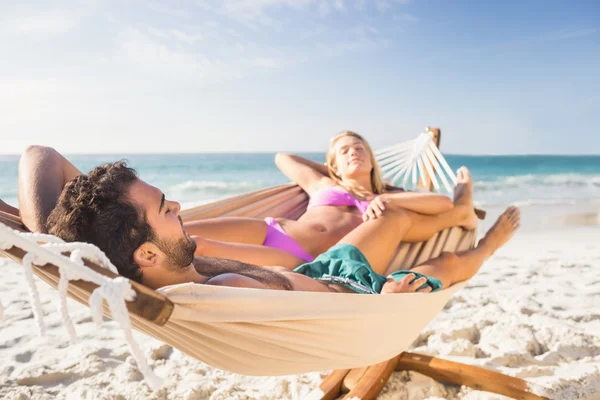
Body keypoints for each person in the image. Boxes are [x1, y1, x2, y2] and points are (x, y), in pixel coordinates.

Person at [32, 159, 519, 293]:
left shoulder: (156, 265)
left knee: (392, 216)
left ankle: (460, 213)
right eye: (165, 208)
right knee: (450, 263)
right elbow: (334, 302)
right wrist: (384, 298)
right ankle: (488, 244)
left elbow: (42, 157)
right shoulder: (225, 287)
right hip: (351, 289)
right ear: (148, 254)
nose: (179, 205)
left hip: (325, 266)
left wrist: (50, 246)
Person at [18, 131, 477, 270]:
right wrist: (331, 175)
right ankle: (64, 239)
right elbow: (283, 157)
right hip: (275, 230)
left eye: (360, 147)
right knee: (175, 234)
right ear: (331, 163)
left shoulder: (390, 204)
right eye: (342, 149)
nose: (353, 151)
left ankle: (93, 256)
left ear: (374, 159)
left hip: (301, 257)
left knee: (185, 254)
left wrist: (384, 200)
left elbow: (443, 211)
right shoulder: (321, 185)